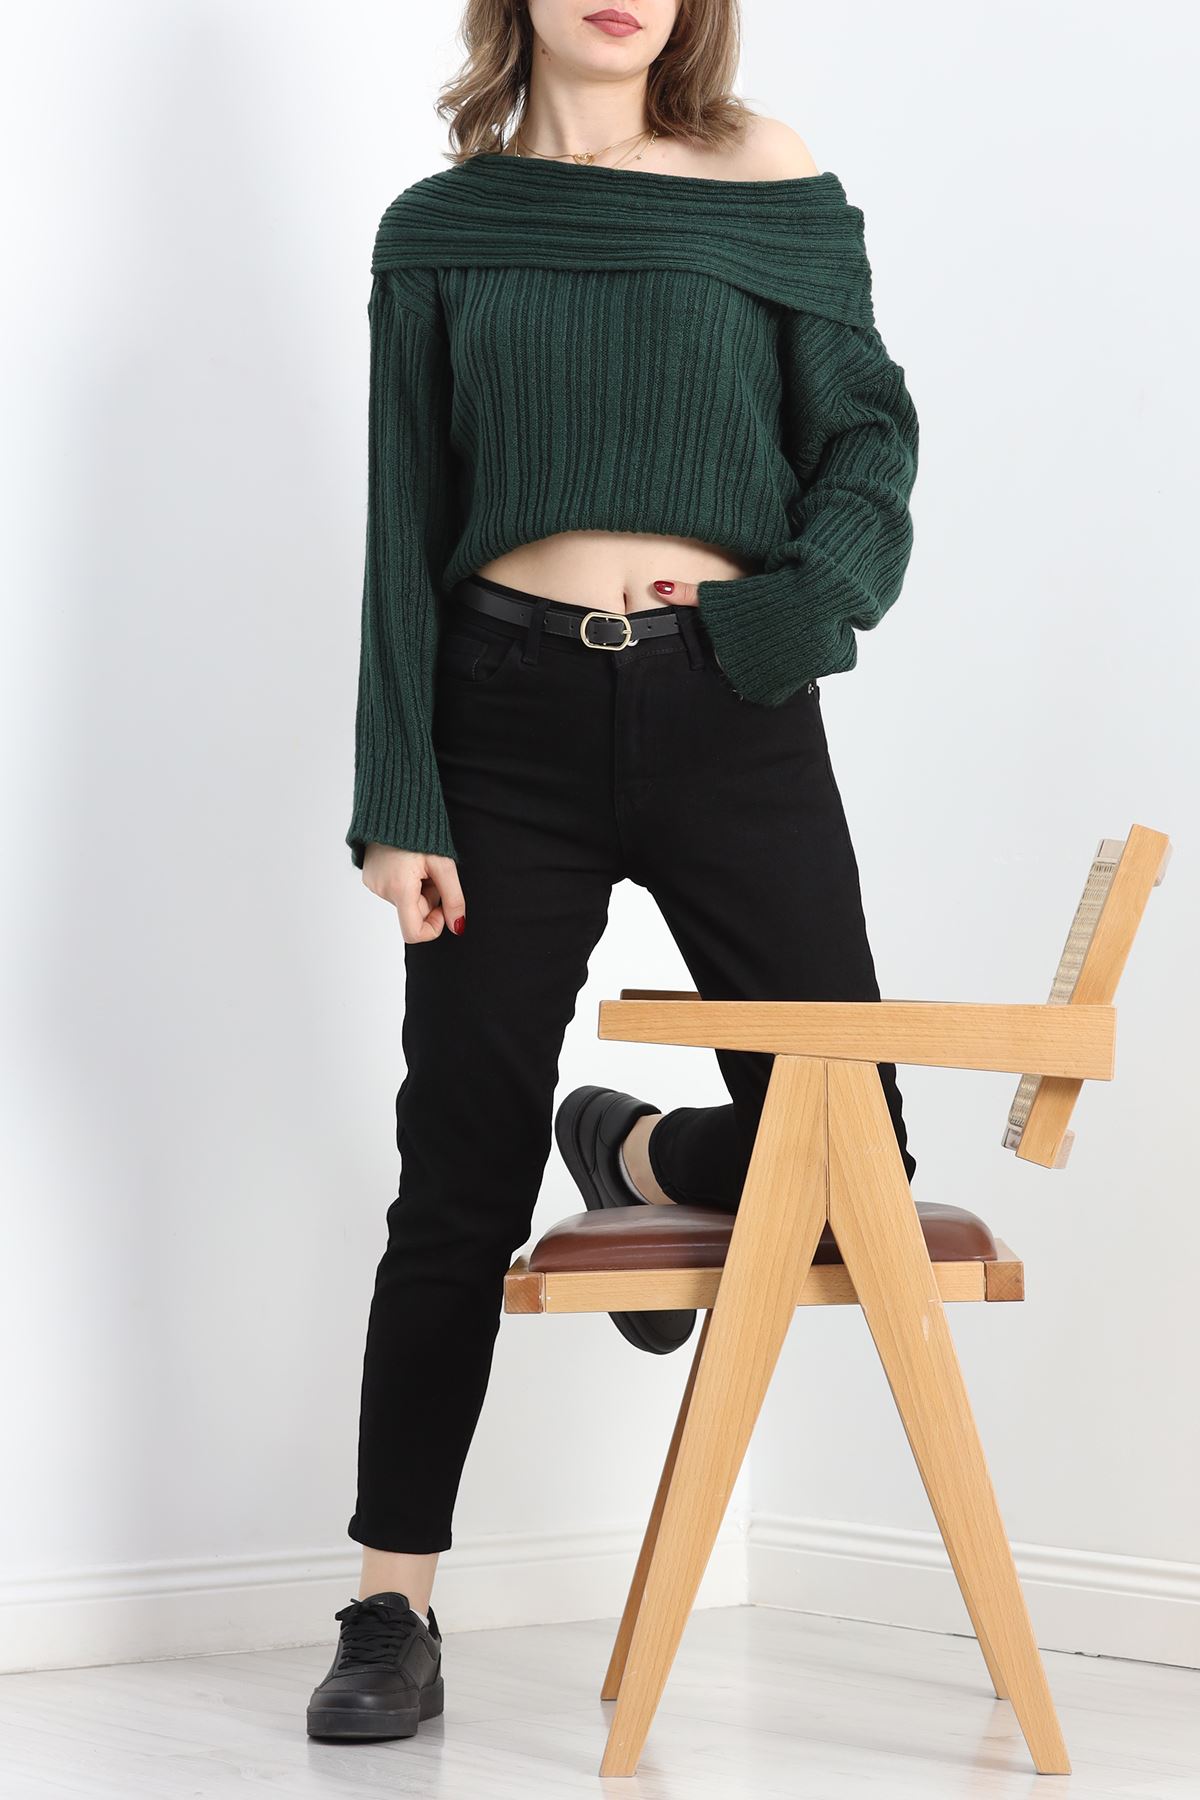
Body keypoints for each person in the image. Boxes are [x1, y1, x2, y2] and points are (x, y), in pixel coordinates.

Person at [307, 0, 920, 1744]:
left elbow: (870, 440)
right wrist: (397, 793)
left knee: (855, 1156)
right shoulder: (444, 225)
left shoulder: (765, 175)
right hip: (499, 718)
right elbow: (403, 518)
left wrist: (785, 617)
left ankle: (634, 1148)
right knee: (459, 1171)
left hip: (734, 705)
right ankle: (390, 1607)